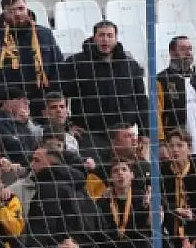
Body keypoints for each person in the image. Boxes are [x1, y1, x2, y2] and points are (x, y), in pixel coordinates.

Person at [63, 20, 148, 153]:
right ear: (94, 37)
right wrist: (68, 125)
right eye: (101, 35)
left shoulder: (130, 65)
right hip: (89, 134)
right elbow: (61, 96)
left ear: (116, 38)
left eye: (110, 35)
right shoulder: (75, 63)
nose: (105, 39)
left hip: (124, 135)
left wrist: (144, 132)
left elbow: (141, 100)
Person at [0, 0, 63, 113]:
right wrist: (7, 98)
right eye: (11, 11)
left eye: (20, 8)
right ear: (4, 13)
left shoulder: (44, 34)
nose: (17, 14)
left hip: (42, 103)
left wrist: (51, 98)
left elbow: (58, 67)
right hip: (6, 105)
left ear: (27, 8)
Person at [156, 34, 196, 157]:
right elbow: (156, 113)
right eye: (183, 49)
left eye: (190, 49)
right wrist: (161, 142)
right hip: (173, 147)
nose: (188, 52)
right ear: (172, 53)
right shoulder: (161, 80)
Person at [0, 92, 38, 171]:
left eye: (27, 100)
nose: (26, 103)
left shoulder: (23, 122)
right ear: (7, 103)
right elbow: (14, 147)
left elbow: (35, 144)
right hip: (11, 169)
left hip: (28, 167)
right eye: (20, 100)